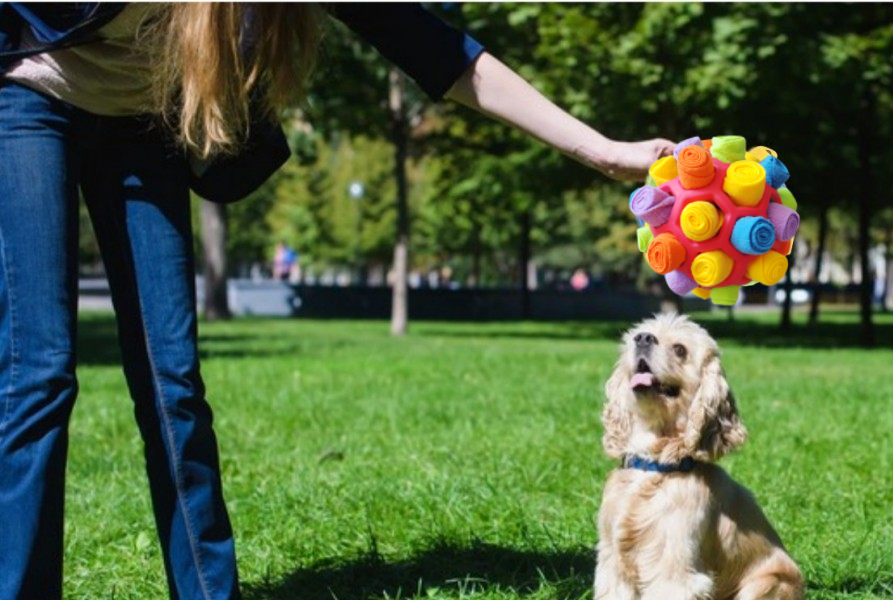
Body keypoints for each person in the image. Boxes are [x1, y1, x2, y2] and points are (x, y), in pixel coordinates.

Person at [0, 4, 674, 599]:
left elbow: (435, 48)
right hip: (30, 92)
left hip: (143, 124)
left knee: (171, 385)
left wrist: (601, 150)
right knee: (40, 373)